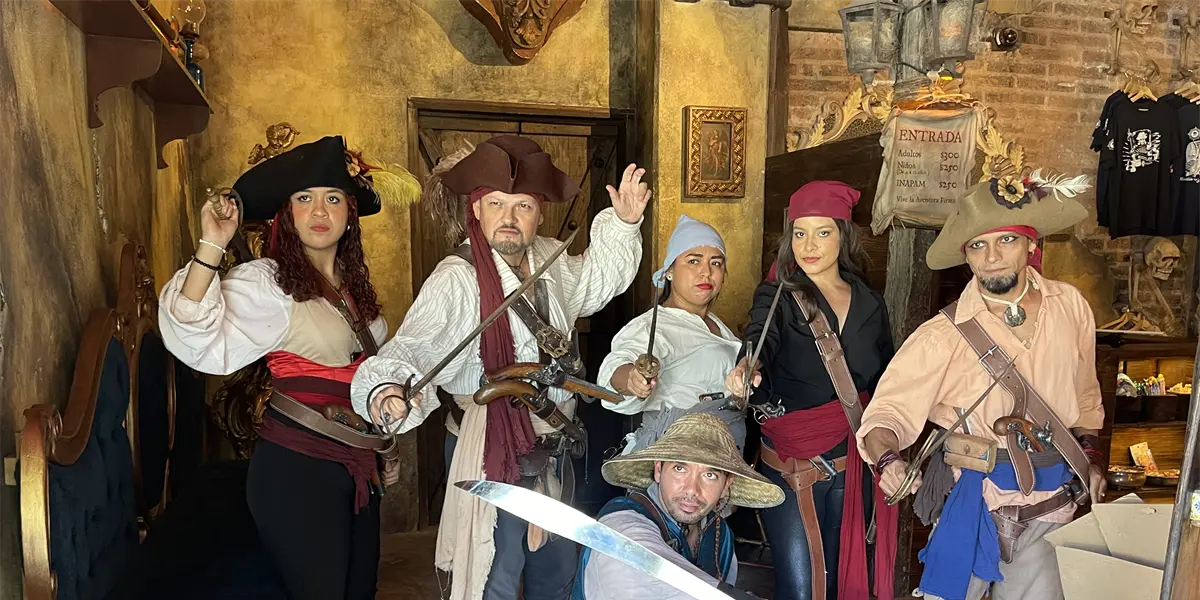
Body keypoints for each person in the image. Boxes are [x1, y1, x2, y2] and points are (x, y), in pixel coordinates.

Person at [349, 135, 649, 600]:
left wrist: (625, 223)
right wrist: (389, 388)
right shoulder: (456, 278)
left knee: (555, 574)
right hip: (490, 445)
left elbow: (597, 278)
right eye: (496, 204)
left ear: (539, 213)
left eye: (522, 206)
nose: (509, 218)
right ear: (477, 209)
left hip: (552, 446)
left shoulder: (551, 260)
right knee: (494, 574)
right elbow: (414, 346)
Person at [158, 135, 419, 600]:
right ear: (287, 214)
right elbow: (191, 323)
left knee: (361, 590)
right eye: (304, 199)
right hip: (298, 469)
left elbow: (370, 377)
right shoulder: (270, 283)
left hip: (357, 467)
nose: (319, 211)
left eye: (333, 199)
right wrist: (213, 243)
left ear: (350, 213)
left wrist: (386, 448)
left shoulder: (355, 290)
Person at [856, 174, 1107, 600]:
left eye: (1006, 240)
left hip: (1052, 503)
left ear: (1030, 243)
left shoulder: (1071, 308)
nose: (991, 257)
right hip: (972, 501)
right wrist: (888, 460)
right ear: (966, 255)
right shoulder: (941, 336)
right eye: (977, 245)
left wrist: (1092, 457)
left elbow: (1086, 395)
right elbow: (887, 414)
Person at [724, 181, 898, 600]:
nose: (809, 245)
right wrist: (747, 366)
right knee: (801, 589)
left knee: (841, 583)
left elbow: (887, 380)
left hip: (853, 462)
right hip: (793, 466)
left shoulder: (871, 303)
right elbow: (759, 338)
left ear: (843, 235)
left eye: (823, 232)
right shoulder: (777, 295)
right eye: (800, 233)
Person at [575, 413, 784, 599]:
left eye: (709, 475)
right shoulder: (620, 523)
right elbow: (643, 577)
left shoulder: (719, 534)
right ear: (659, 470)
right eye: (680, 469)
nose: (692, 489)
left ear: (726, 485)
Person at [598, 214, 745, 454]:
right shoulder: (653, 326)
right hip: (675, 453)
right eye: (693, 261)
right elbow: (616, 368)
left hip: (721, 451)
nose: (706, 272)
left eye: (716, 263)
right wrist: (632, 379)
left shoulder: (715, 324)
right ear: (669, 271)